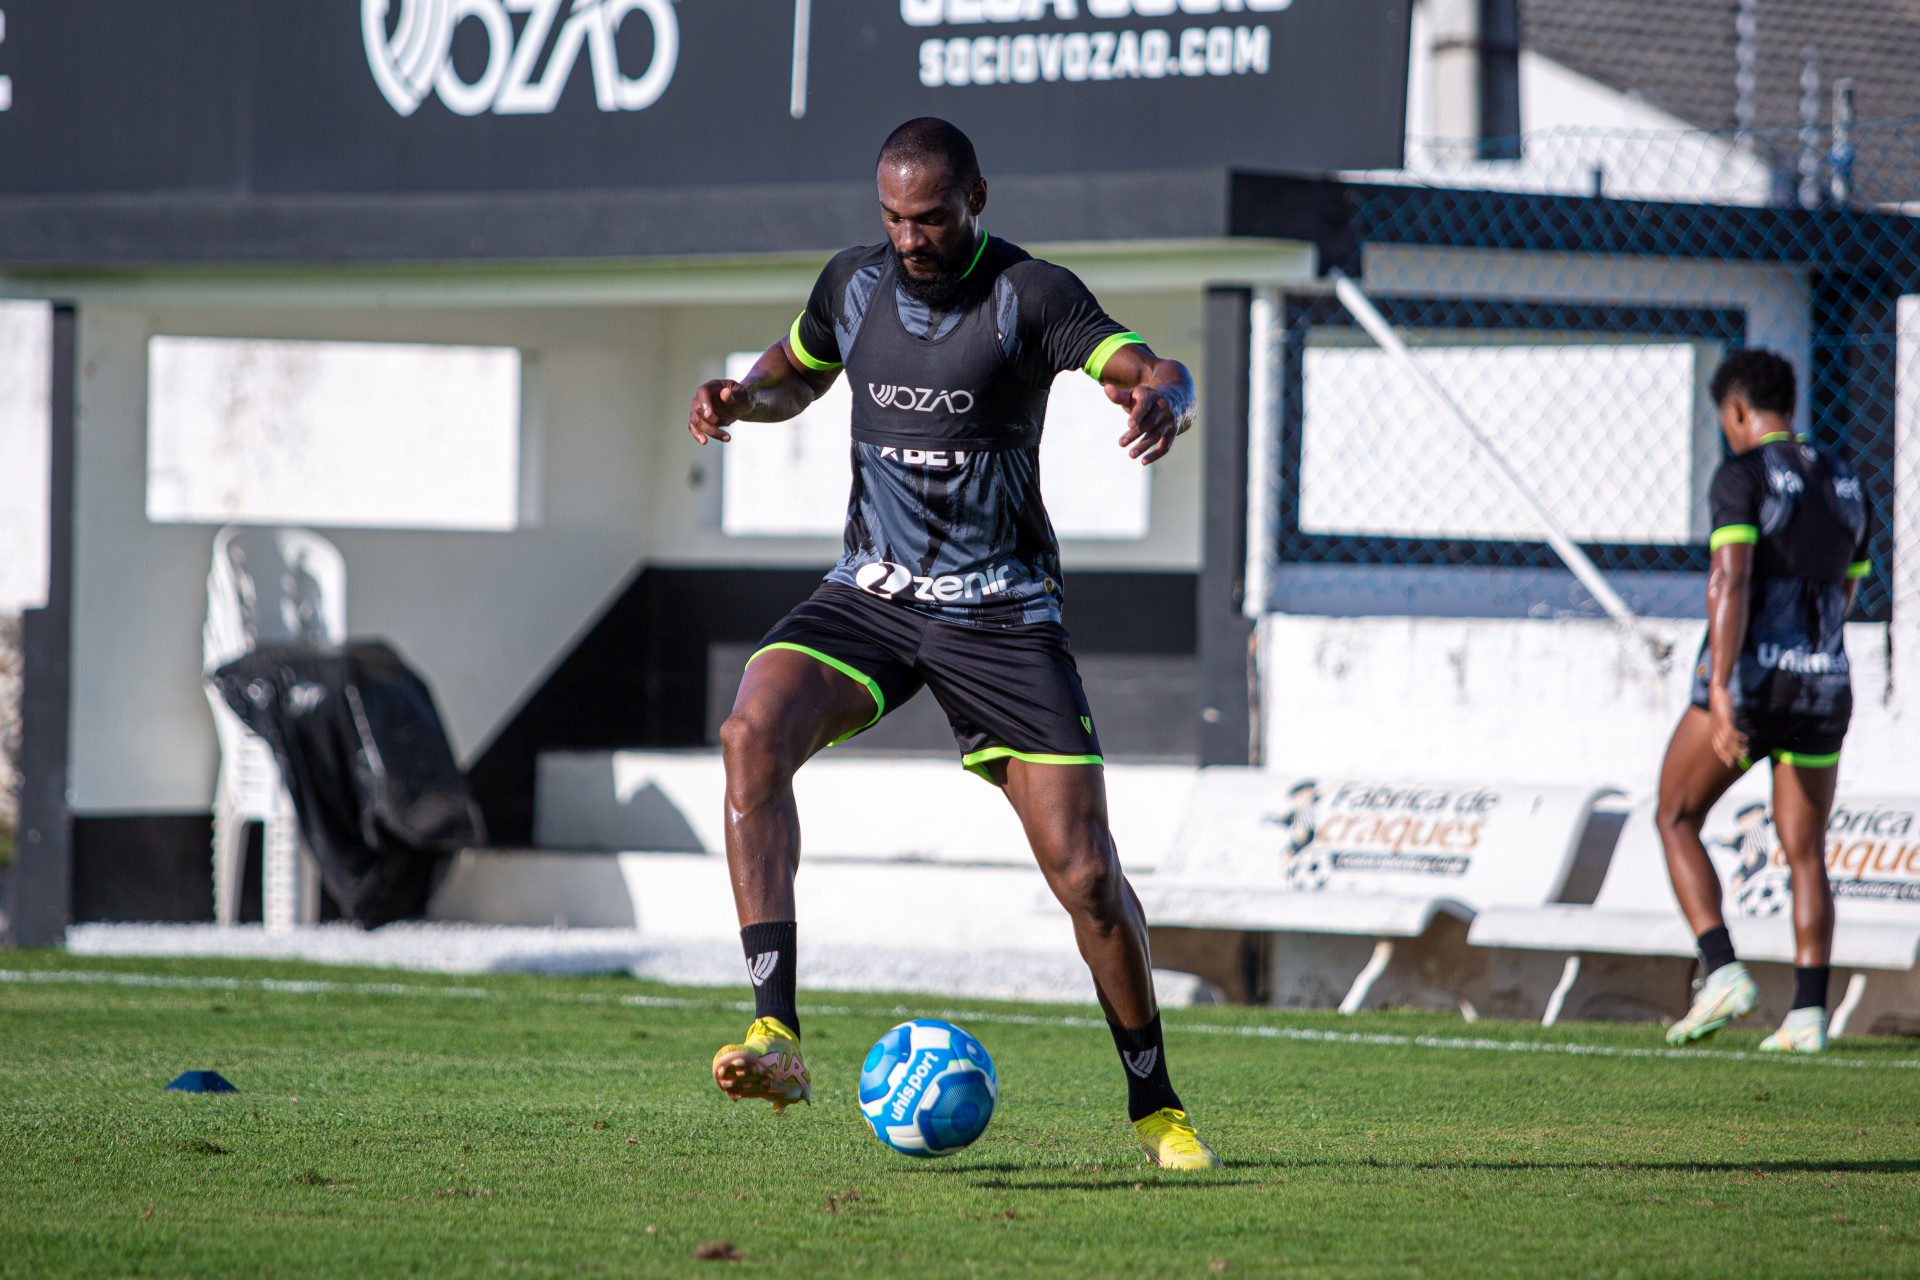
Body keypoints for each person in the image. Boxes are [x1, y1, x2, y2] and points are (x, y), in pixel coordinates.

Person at [684, 118, 1220, 1168]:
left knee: (1088, 875)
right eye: (891, 216)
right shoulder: (853, 283)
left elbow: (1146, 364)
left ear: (978, 198)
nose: (908, 236)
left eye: (928, 217)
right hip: (870, 597)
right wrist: (745, 397)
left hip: (1002, 615)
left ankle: (1156, 1103)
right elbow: (800, 369)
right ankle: (775, 1030)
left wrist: (1166, 397)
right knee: (750, 732)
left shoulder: (1033, 296)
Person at [1655, 348, 1873, 1054]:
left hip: (1751, 682)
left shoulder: (1743, 475)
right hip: (1823, 682)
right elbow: (1846, 590)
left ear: (1738, 410)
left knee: (1676, 813)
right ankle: (1808, 1015)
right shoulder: (1845, 481)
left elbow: (1731, 582)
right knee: (1805, 849)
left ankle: (1720, 969)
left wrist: (1719, 688)